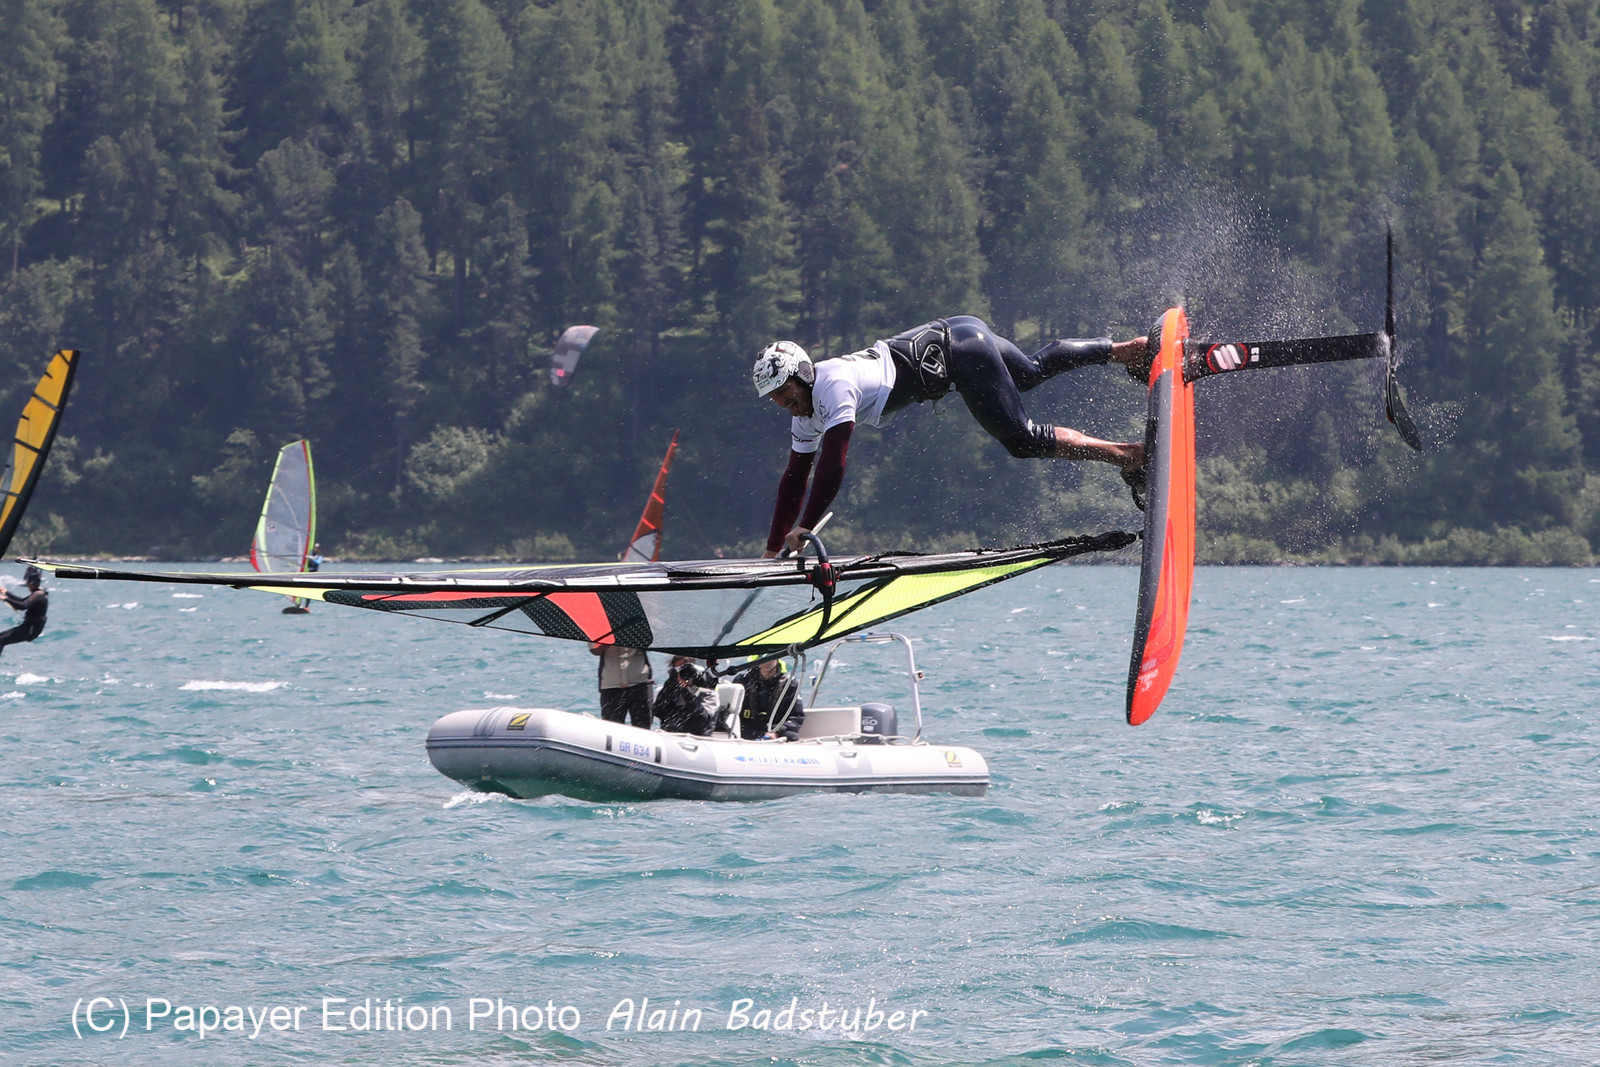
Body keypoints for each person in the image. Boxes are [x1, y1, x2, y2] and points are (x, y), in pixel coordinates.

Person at [754, 317, 1151, 555]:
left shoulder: (832, 386)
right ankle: (1131, 351)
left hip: (960, 355)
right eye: (776, 402)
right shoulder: (805, 412)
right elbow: (793, 478)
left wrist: (805, 526)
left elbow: (833, 462)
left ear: (804, 377)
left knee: (1022, 440)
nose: (786, 407)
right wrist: (773, 548)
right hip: (959, 329)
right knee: (1029, 372)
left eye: (786, 396)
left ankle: (1129, 454)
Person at [732, 659, 804, 741]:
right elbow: (731, 712)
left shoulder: (789, 683)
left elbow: (797, 717)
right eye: (762, 657)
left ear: (777, 659)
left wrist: (776, 731)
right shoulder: (742, 680)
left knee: (792, 737)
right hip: (747, 730)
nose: (766, 661)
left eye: (771, 657)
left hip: (775, 731)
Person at [590, 642, 653, 729]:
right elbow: (594, 650)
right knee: (612, 728)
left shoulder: (640, 629)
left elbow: (651, 643)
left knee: (643, 728)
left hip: (639, 682)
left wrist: (631, 636)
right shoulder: (600, 630)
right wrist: (611, 639)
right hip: (611, 686)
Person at [654, 655, 718, 736]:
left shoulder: (708, 692)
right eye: (678, 671)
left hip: (698, 738)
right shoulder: (672, 689)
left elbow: (702, 719)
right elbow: (659, 712)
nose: (682, 675)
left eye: (685, 670)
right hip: (673, 736)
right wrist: (670, 685)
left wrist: (686, 690)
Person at [0, 565, 48, 656]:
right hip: (28, 627)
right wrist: (5, 592)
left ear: (30, 583)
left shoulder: (38, 595)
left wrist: (4, 598)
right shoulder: (38, 594)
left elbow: (22, 606)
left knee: (1, 639)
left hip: (31, 629)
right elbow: (21, 601)